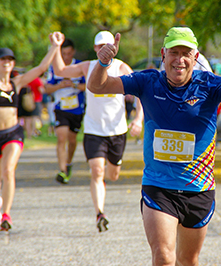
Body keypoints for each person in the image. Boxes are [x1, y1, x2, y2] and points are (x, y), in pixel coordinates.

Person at [87, 26, 221, 265]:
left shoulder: (210, 84)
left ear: (195, 56)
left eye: (186, 53)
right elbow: (97, 86)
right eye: (174, 52)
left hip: (199, 189)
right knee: (163, 257)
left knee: (188, 260)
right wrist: (103, 63)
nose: (179, 59)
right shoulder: (147, 81)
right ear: (163, 54)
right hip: (159, 187)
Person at [0, 33, 63, 231]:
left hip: (13, 133)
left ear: (13, 64)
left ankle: (6, 214)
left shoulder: (16, 83)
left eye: (10, 59)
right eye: (3, 59)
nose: (7, 62)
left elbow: (41, 68)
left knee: (8, 170)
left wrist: (54, 46)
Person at [50, 31, 144, 232]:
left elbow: (139, 94)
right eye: (100, 46)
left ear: (114, 47)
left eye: (107, 45)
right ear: (95, 49)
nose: (103, 49)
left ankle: (108, 182)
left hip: (117, 131)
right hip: (94, 131)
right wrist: (56, 46)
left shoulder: (121, 67)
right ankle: (100, 212)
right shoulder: (88, 66)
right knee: (96, 171)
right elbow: (60, 70)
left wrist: (138, 119)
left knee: (113, 175)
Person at [45, 38, 86, 184]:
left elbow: (88, 86)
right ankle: (62, 171)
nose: (66, 57)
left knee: (72, 140)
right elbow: (47, 88)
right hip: (60, 108)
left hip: (76, 109)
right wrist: (60, 86)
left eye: (69, 53)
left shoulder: (80, 66)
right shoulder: (54, 68)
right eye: (63, 54)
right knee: (61, 137)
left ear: (73, 52)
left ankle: (68, 163)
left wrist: (74, 86)